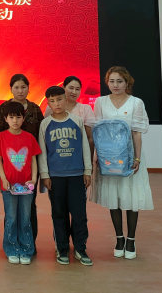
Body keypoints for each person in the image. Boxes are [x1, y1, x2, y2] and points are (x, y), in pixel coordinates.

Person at [90, 66, 153, 260]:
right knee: (114, 197)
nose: (115, 85)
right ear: (107, 83)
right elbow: (98, 132)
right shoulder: (100, 102)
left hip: (130, 156)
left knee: (131, 197)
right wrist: (96, 156)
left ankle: (131, 240)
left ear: (127, 83)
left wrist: (137, 158)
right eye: (111, 81)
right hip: (108, 157)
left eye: (119, 81)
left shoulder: (136, 103)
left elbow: (136, 133)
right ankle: (119, 239)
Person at [38, 86, 93, 266]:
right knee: (59, 213)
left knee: (79, 213)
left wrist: (87, 170)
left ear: (66, 99)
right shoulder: (45, 124)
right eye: (52, 101)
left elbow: (85, 147)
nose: (57, 104)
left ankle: (80, 248)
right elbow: (42, 151)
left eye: (59, 99)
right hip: (55, 177)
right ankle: (62, 247)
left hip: (76, 174)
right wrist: (45, 175)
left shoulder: (76, 121)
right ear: (48, 104)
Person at [0, 74, 44, 250]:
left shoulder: (35, 109)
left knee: (28, 210)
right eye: (16, 87)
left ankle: (29, 244)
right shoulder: (3, 108)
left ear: (28, 88)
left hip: (29, 168)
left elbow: (40, 136)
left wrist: (36, 174)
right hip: (9, 170)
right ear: (11, 89)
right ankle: (12, 245)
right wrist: (2, 174)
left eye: (23, 87)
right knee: (11, 212)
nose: (20, 90)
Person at [0, 101, 41, 265]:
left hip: (27, 186)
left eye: (18, 117)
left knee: (25, 218)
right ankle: (11, 249)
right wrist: (3, 179)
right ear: (5, 119)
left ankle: (26, 249)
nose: (15, 121)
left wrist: (34, 179)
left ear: (23, 118)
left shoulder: (29, 137)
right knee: (11, 218)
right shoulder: (0, 137)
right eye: (11, 117)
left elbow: (34, 160)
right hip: (8, 186)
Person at [44, 76, 95, 155]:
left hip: (79, 154)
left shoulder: (86, 109)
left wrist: (89, 159)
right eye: (71, 88)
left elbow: (90, 138)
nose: (74, 92)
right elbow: (46, 133)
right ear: (63, 88)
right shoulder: (52, 107)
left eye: (77, 89)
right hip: (56, 153)